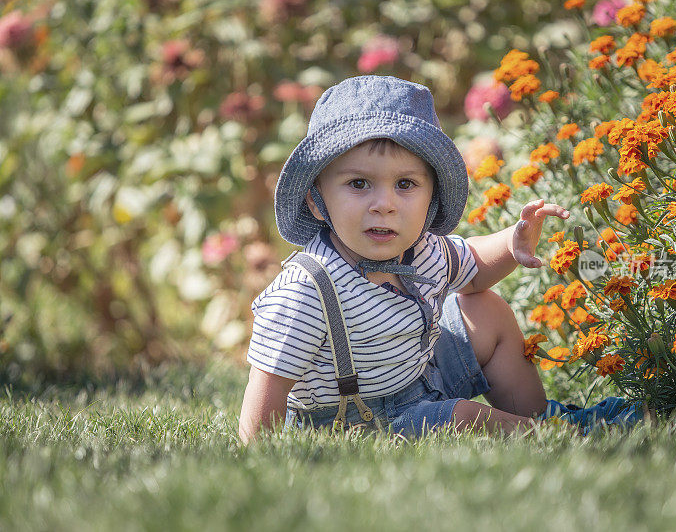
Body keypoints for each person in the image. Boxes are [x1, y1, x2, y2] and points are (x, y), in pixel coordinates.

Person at [238, 75, 637, 444]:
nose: (385, 205)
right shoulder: (308, 291)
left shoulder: (423, 250)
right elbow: (267, 392)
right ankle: (560, 435)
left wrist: (513, 245)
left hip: (418, 375)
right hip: (354, 420)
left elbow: (474, 266)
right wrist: (265, 453)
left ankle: (538, 415)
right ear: (317, 200)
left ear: (431, 200)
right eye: (358, 184)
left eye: (406, 184)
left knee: (486, 309)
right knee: (464, 416)